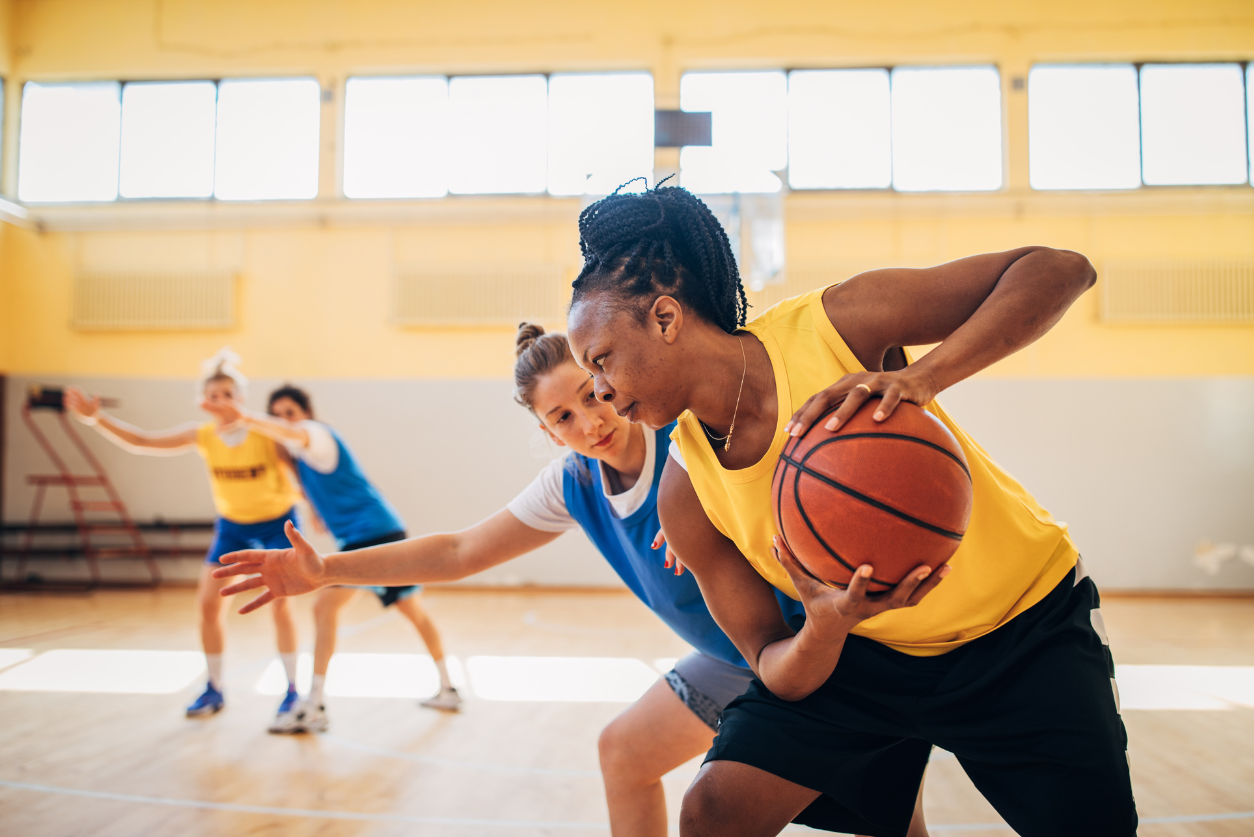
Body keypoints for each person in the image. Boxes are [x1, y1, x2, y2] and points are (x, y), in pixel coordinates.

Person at [563, 184, 1136, 837]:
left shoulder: (835, 325)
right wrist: (824, 628)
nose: (599, 390)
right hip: (866, 654)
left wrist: (923, 378)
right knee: (715, 810)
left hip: (1024, 630)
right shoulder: (685, 494)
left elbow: (1060, 269)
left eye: (601, 360)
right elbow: (771, 664)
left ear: (665, 318)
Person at [211, 324, 929, 837]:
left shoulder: (686, 445)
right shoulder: (572, 483)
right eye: (563, 415)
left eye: (593, 394)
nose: (590, 421)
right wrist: (326, 570)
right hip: (728, 658)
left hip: (801, 646)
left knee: (891, 820)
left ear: (612, 380)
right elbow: (459, 551)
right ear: (548, 432)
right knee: (625, 752)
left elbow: (791, 496)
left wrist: (718, 525)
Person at [200, 383, 461, 732]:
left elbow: (293, 435)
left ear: (305, 414)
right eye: (276, 415)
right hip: (368, 536)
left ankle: (314, 706)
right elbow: (291, 466)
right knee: (409, 610)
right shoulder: (299, 457)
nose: (284, 421)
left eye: (290, 414)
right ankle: (449, 688)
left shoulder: (318, 436)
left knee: (326, 608)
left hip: (375, 535)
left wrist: (245, 417)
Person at [63, 349, 304, 724]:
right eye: (213, 395)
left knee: (281, 604)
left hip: (277, 523)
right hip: (233, 527)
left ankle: (292, 690)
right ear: (203, 400)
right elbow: (142, 441)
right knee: (208, 605)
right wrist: (97, 419)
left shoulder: (264, 433)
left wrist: (318, 511)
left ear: (241, 397)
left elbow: (300, 474)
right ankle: (214, 687)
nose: (221, 401)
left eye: (228, 394)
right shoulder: (203, 435)